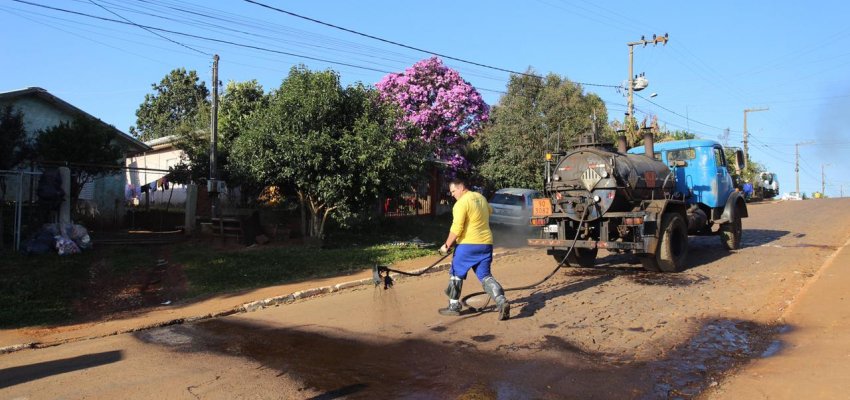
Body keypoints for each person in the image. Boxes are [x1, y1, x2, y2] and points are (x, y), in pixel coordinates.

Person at [438, 178, 510, 320]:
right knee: (485, 275)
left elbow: (457, 228)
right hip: (486, 244)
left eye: (453, 191)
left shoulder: (461, 204)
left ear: (461, 188)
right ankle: (501, 300)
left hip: (467, 245)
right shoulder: (481, 197)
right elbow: (490, 211)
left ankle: (453, 306)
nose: (452, 194)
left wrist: (446, 246)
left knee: (455, 273)